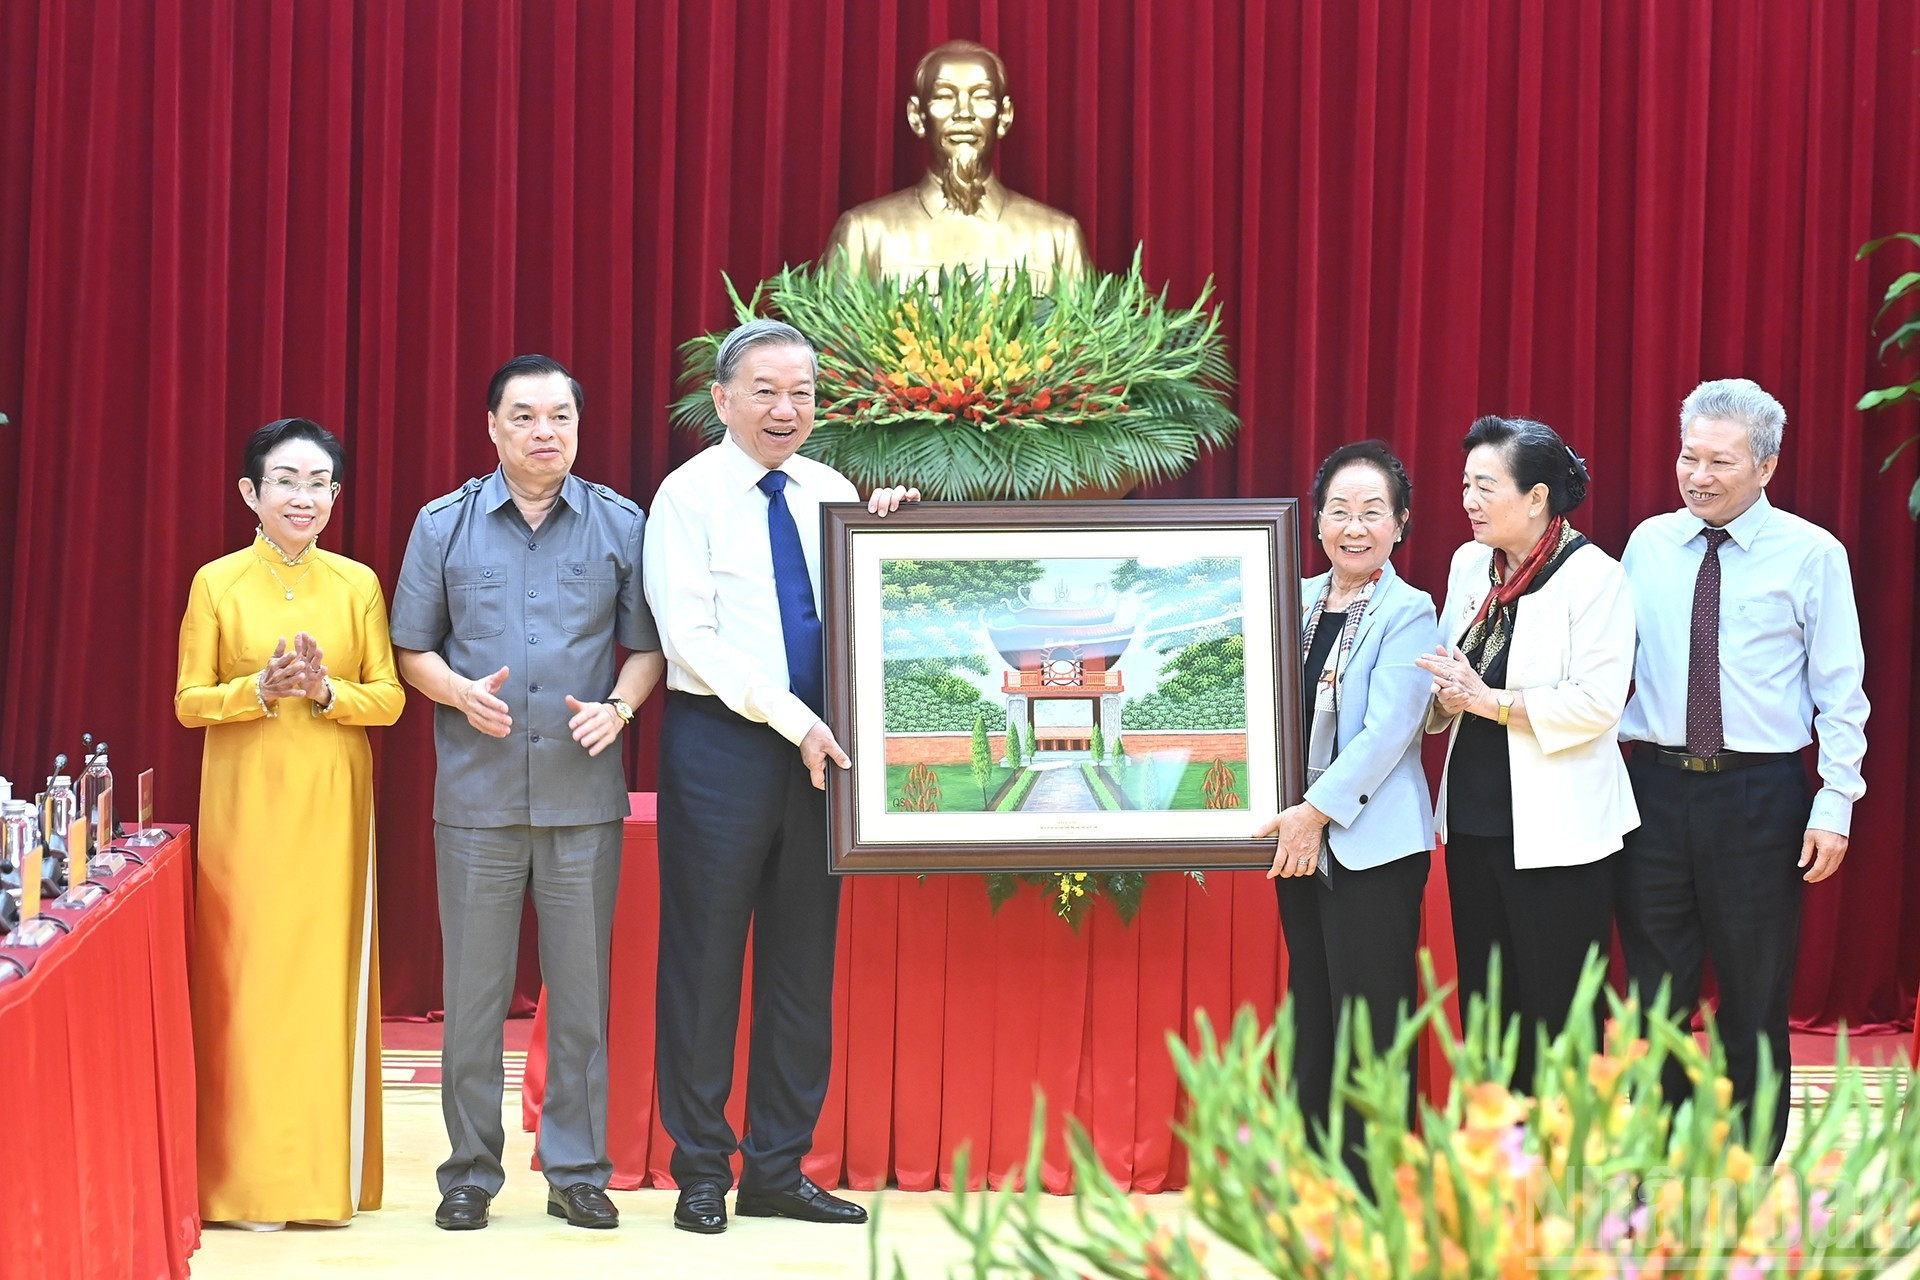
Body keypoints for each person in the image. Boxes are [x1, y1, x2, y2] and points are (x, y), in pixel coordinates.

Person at [643, 319, 914, 1235]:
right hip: (723, 747)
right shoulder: (686, 496)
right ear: (722, 400)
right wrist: (797, 720)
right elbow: (690, 640)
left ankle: (777, 1169)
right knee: (705, 962)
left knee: (801, 965)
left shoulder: (831, 491)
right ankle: (700, 1171)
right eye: (764, 391)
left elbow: (867, 610)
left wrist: (891, 536)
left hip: (820, 757)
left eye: (801, 392)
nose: (785, 409)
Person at [389, 354, 664, 1232]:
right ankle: (469, 1173)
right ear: (493, 427)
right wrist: (456, 691)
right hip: (478, 798)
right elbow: (411, 647)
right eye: (525, 416)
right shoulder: (443, 526)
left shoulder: (621, 524)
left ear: (578, 426)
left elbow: (648, 648)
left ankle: (577, 1170)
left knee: (581, 997)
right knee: (473, 998)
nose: (545, 432)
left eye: (560, 417)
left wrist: (620, 710)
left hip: (584, 799)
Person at [1616, 378, 1867, 1161]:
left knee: (1754, 989)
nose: (1698, 476)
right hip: (1653, 787)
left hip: (1760, 795)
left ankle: (1746, 1163)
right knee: (1654, 988)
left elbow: (1841, 691)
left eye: (1719, 462)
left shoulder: (1813, 553)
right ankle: (1655, 1156)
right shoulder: (1648, 544)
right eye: (1688, 456)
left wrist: (1835, 802)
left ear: (1766, 466)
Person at [176, 417, 404, 1229]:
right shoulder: (216, 583)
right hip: (243, 810)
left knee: (320, 981)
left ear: (335, 496)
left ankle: (317, 1182)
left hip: (333, 807)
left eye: (318, 484)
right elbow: (188, 701)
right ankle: (244, 1186)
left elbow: (389, 697)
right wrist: (259, 691)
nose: (302, 498)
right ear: (251, 492)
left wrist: (327, 691)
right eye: (285, 481)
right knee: (247, 982)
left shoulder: (357, 584)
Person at [1418, 415, 1638, 1092]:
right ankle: (1498, 1143)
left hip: (1561, 832)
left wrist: (1488, 701)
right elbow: (1449, 674)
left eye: (1486, 487)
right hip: (1475, 821)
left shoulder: (1595, 577)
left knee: (1559, 1009)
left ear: (1537, 497)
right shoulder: (1469, 563)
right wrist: (1445, 699)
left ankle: (1566, 1144)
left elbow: (1597, 705)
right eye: (1466, 485)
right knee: (1488, 1008)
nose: (1468, 501)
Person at [1255, 441, 1440, 1184]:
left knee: (1372, 1013)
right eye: (1339, 510)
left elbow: (1390, 731)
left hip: (1372, 843)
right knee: (1313, 1002)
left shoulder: (1409, 610)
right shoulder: (1287, 595)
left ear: (1400, 523)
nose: (1354, 527)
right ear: (1317, 520)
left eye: (1372, 512)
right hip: (1298, 838)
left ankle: (1371, 1186)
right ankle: (1313, 1173)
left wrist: (1315, 812)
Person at [825, 39, 1091, 290]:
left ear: (1004, 117)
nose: (964, 113)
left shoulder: (1057, 238)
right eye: (944, 96)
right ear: (917, 116)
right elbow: (834, 322)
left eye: (982, 96)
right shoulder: (865, 233)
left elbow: (1083, 324)